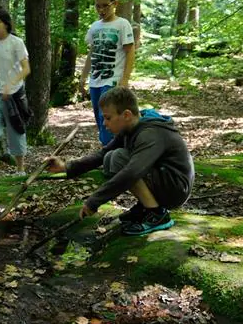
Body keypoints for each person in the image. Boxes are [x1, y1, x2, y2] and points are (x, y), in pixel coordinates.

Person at [47, 87, 194, 236]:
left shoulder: (150, 134)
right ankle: (146, 206)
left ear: (126, 115)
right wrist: (66, 167)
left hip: (176, 189)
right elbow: (102, 154)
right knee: (110, 157)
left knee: (119, 158)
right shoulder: (131, 127)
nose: (104, 123)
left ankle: (157, 214)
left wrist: (94, 201)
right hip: (165, 181)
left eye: (108, 118)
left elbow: (132, 172)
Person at [79, 0, 136, 146]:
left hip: (112, 80)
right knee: (100, 120)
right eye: (98, 6)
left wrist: (125, 79)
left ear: (115, 4)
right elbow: (92, 53)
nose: (101, 9)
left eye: (105, 6)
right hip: (95, 80)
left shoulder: (122, 25)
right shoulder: (94, 27)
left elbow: (130, 52)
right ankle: (111, 150)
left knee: (109, 117)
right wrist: (83, 77)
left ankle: (108, 154)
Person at [0, 7, 31, 175]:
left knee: (16, 131)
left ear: (6, 24)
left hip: (15, 95)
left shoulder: (16, 43)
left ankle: (20, 169)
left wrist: (10, 84)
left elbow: (26, 69)